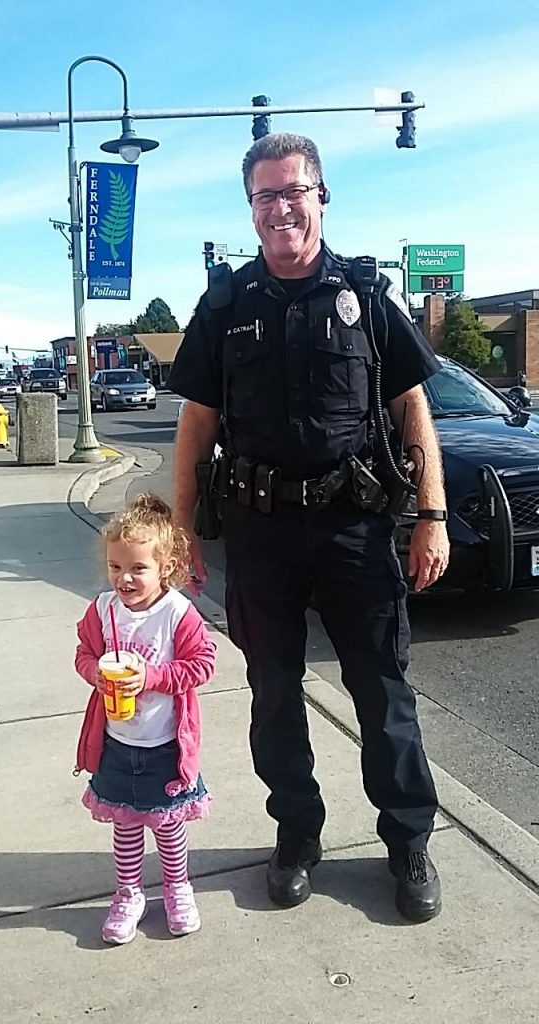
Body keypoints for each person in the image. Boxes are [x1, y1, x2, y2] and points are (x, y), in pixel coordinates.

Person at [168, 132, 450, 923]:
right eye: (265, 195)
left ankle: (407, 841)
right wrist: (181, 530)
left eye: (294, 191)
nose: (281, 207)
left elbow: (411, 408)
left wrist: (430, 517)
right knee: (272, 694)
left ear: (321, 196)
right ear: (251, 209)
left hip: (354, 527)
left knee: (383, 692)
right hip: (259, 536)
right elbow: (197, 420)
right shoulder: (227, 308)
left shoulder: (362, 296)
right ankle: (297, 835)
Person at [74, 493, 216, 944]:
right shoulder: (102, 611)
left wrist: (152, 677)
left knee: (168, 824)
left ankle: (177, 887)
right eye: (116, 567)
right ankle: (129, 892)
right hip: (117, 743)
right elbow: (83, 653)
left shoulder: (177, 614)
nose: (125, 578)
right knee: (126, 823)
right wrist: (94, 672)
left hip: (164, 745)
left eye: (138, 568)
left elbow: (204, 664)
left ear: (166, 567)